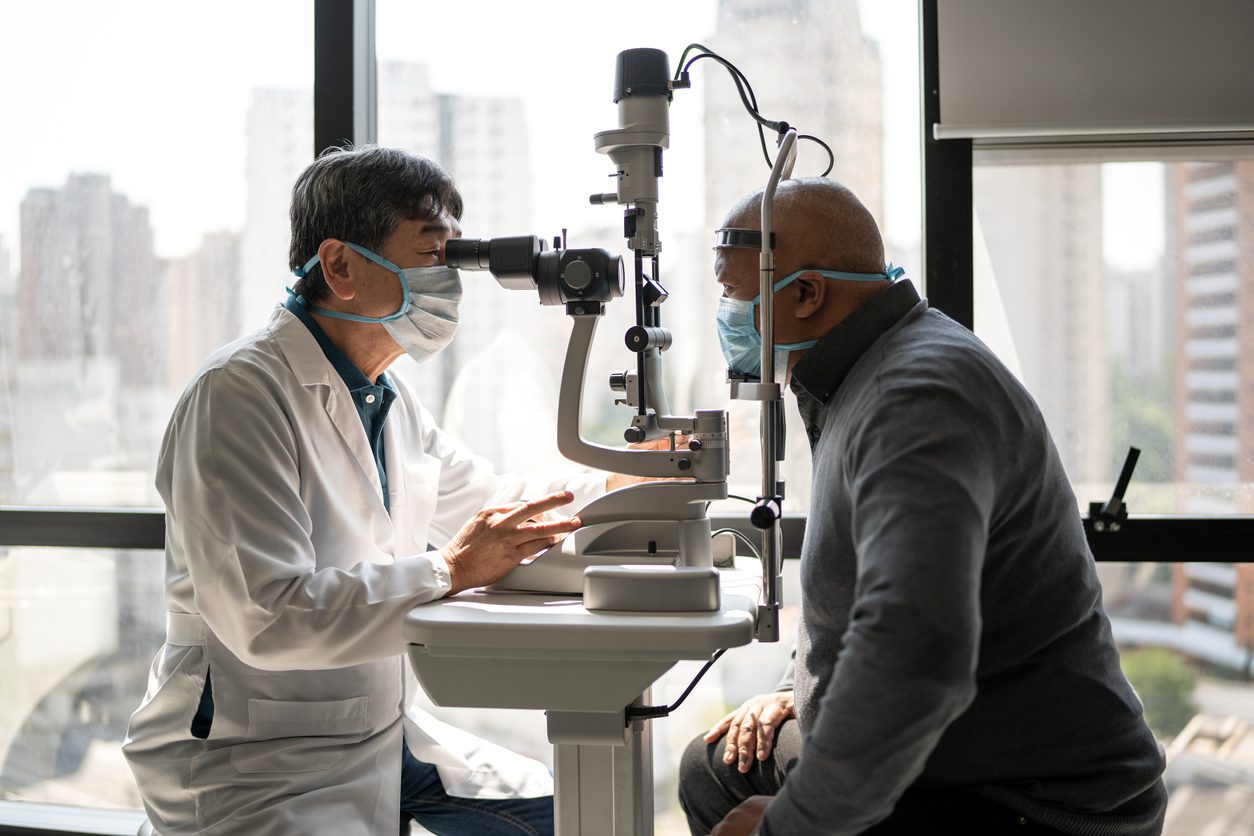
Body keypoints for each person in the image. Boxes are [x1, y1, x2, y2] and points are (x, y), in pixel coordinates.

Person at [123, 146, 635, 835]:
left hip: (374, 734)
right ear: (338, 266)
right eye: (434, 254)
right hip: (254, 760)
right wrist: (449, 570)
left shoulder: (384, 393)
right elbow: (269, 616)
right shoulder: (239, 396)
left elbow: (492, 500)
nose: (450, 282)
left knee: (568, 812)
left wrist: (622, 482)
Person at [678, 178, 1167, 836]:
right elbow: (861, 585)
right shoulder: (859, 377)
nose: (726, 314)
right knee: (716, 767)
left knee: (739, 803)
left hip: (1034, 801)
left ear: (805, 294)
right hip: (960, 757)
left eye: (734, 293)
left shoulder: (914, 398)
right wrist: (800, 691)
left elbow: (917, 647)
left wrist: (789, 829)